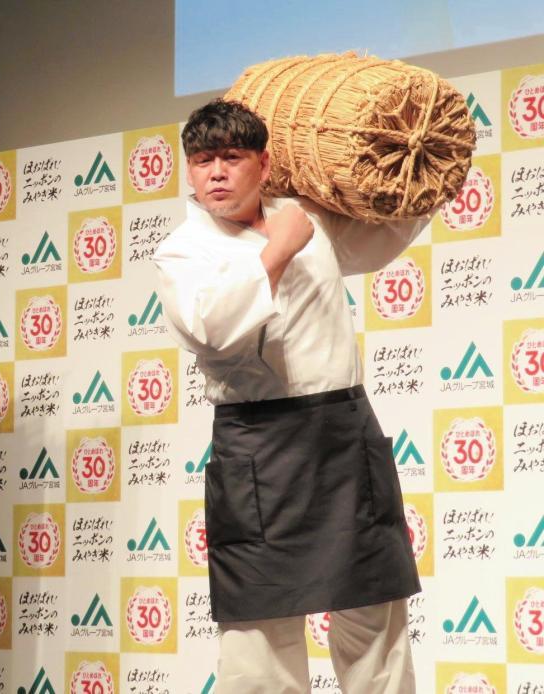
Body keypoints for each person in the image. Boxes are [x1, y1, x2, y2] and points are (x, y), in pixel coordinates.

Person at [153, 100, 424, 693]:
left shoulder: (307, 217)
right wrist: (277, 247)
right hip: (258, 445)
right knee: (258, 636)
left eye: (231, 157)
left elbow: (387, 228)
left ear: (264, 162)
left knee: (375, 616)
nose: (216, 173)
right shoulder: (182, 250)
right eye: (202, 161)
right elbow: (213, 329)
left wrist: (417, 165)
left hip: (344, 430)